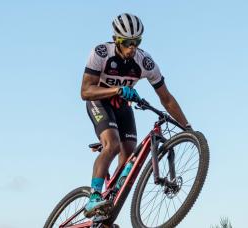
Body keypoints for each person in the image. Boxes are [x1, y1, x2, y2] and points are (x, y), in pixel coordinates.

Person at [80, 13, 191, 217]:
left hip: (122, 104)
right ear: (116, 40)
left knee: (131, 157)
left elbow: (166, 98)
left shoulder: (144, 62)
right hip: (99, 100)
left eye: (137, 42)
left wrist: (188, 129)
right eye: (127, 42)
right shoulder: (101, 53)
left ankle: (107, 206)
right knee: (112, 144)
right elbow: (85, 91)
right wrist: (117, 90)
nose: (132, 47)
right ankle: (94, 197)